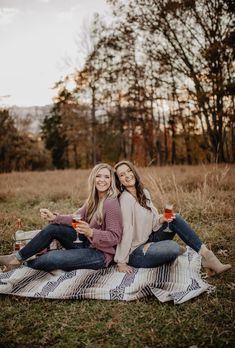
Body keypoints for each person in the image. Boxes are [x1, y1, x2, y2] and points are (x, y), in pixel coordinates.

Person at [114, 160, 231, 276]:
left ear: (134, 172)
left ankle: (207, 257)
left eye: (129, 171)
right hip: (136, 252)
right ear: (119, 181)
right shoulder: (125, 199)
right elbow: (127, 230)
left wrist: (161, 219)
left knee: (175, 218)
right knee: (173, 247)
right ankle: (164, 248)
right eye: (122, 175)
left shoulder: (144, 193)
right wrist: (121, 262)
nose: (127, 176)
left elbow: (152, 220)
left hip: (149, 239)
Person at [0, 163, 123, 272]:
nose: (102, 180)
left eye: (107, 177)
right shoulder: (93, 200)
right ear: (93, 178)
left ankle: (23, 264)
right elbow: (76, 219)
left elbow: (115, 237)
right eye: (98, 176)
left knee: (54, 257)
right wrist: (54, 217)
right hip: (86, 242)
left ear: (111, 181)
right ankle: (17, 258)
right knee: (53, 228)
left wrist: (91, 232)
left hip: (100, 255)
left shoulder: (110, 203)